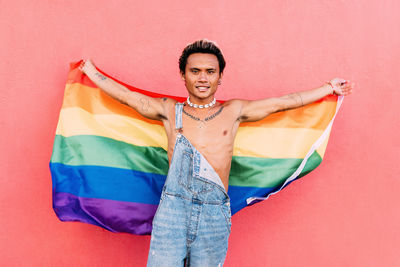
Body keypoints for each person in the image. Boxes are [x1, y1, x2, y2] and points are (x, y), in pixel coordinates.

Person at [79, 39, 354, 267]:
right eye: (195, 71)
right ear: (183, 75)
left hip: (214, 214)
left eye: (210, 72)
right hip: (172, 210)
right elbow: (128, 97)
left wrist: (328, 88)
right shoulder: (168, 110)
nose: (202, 78)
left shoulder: (233, 112)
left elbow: (283, 103)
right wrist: (91, 72)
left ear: (220, 76)